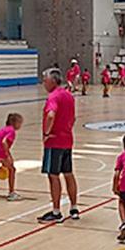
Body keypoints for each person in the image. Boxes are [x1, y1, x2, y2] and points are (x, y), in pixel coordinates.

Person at [37, 68, 78, 224]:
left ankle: (56, 211)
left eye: (45, 80)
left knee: (53, 175)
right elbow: (73, 118)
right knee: (68, 173)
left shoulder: (53, 97)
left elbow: (51, 115)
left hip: (54, 142)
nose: (43, 83)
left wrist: (46, 133)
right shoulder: (68, 95)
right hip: (67, 140)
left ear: (53, 81)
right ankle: (74, 208)